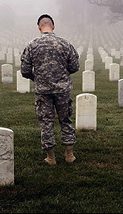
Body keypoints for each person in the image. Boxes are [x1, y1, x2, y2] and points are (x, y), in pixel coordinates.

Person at [21, 14, 80, 165]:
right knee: (65, 120)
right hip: (62, 90)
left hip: (43, 90)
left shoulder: (32, 45)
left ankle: (51, 157)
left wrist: (37, 78)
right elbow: (74, 66)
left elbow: (25, 70)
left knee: (46, 122)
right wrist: (62, 75)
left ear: (39, 27)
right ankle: (69, 155)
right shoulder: (65, 44)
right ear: (53, 27)